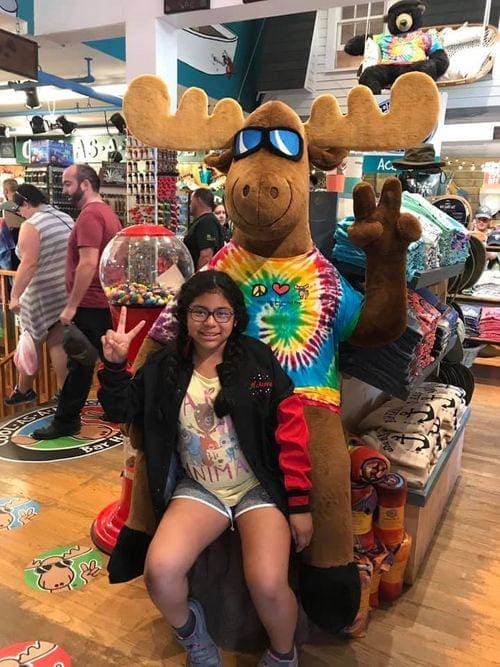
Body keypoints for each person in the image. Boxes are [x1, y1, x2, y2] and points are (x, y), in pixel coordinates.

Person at [98, 270, 313, 667]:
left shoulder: (257, 360)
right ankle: (196, 639)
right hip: (200, 488)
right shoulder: (164, 366)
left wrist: (299, 504)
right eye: (199, 312)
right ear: (184, 315)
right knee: (160, 573)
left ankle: (283, 655)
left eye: (222, 313)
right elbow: (122, 411)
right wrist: (114, 365)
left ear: (235, 318)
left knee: (268, 584)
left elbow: (291, 428)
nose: (210, 323)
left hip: (257, 487)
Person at [32, 164, 122, 439]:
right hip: (101, 301)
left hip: (90, 303)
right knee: (106, 360)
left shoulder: (90, 216)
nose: (64, 189)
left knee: (81, 364)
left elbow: (88, 263)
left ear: (85, 184)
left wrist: (71, 306)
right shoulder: (106, 212)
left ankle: (66, 420)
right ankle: (117, 409)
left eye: (68, 183)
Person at [5, 184, 74, 405]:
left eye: (19, 208)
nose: (20, 213)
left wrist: (14, 296)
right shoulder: (64, 217)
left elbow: (29, 264)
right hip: (64, 288)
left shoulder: (31, 225)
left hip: (40, 292)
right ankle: (65, 391)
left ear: (25, 203)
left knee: (29, 339)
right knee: (57, 340)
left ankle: (23, 388)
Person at [183, 188, 225, 269]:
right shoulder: (204, 221)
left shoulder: (207, 222)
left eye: (192, 201)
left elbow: (206, 256)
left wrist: (198, 279)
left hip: (203, 278)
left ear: (198, 200)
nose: (190, 205)